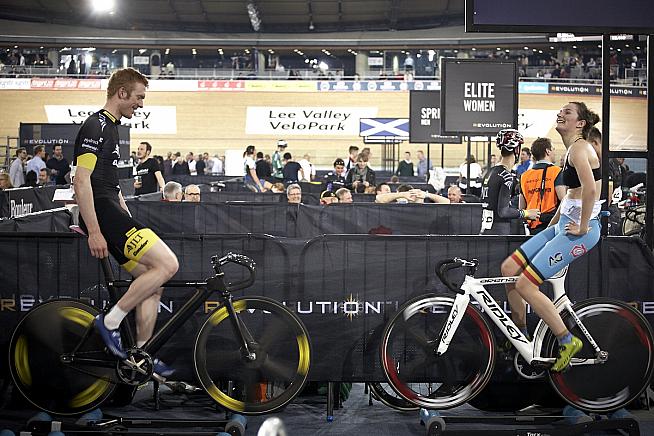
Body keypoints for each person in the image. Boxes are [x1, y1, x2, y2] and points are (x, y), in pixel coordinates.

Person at [72, 68, 179, 378]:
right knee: (167, 264)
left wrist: (127, 220)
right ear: (122, 93)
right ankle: (109, 321)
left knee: (152, 281)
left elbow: (112, 183)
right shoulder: (97, 125)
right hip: (101, 214)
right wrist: (95, 230)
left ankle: (139, 358)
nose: (141, 104)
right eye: (139, 97)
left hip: (111, 212)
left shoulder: (113, 127)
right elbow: (82, 181)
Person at [501, 102, 603, 372]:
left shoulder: (581, 148)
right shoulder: (572, 150)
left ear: (580, 123)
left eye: (567, 112)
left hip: (580, 231)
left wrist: (582, 227)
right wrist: (552, 226)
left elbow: (592, 191)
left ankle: (567, 339)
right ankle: (519, 337)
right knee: (509, 268)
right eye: (560, 111)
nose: (561, 113)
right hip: (563, 225)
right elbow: (572, 196)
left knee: (525, 285)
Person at [479, 130, 540, 235]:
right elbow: (503, 212)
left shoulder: (490, 171)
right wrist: (526, 213)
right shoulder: (506, 176)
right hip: (499, 231)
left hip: (486, 229)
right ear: (517, 150)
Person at [519, 138, 566, 234]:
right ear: (548, 151)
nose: (554, 152)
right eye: (553, 149)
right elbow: (564, 201)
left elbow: (521, 207)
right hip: (551, 225)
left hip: (531, 226)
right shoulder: (557, 172)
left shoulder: (524, 176)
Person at [376, 184, 449, 204]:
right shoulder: (395, 201)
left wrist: (427, 194)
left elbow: (447, 202)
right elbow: (378, 199)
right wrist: (401, 195)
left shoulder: (421, 199)